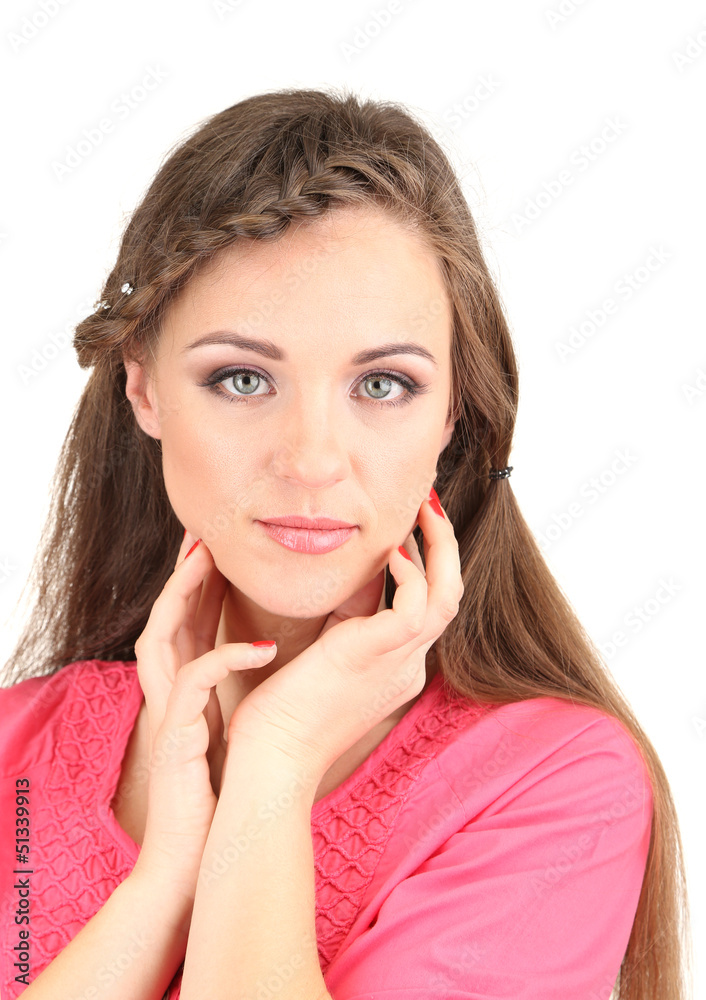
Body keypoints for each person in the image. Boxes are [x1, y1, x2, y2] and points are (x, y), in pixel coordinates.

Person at [0, 86, 691, 1000]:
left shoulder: (554, 787)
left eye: (382, 385)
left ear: (453, 413)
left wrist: (276, 757)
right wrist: (164, 883)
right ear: (144, 389)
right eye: (242, 378)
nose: (313, 460)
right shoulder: (17, 747)